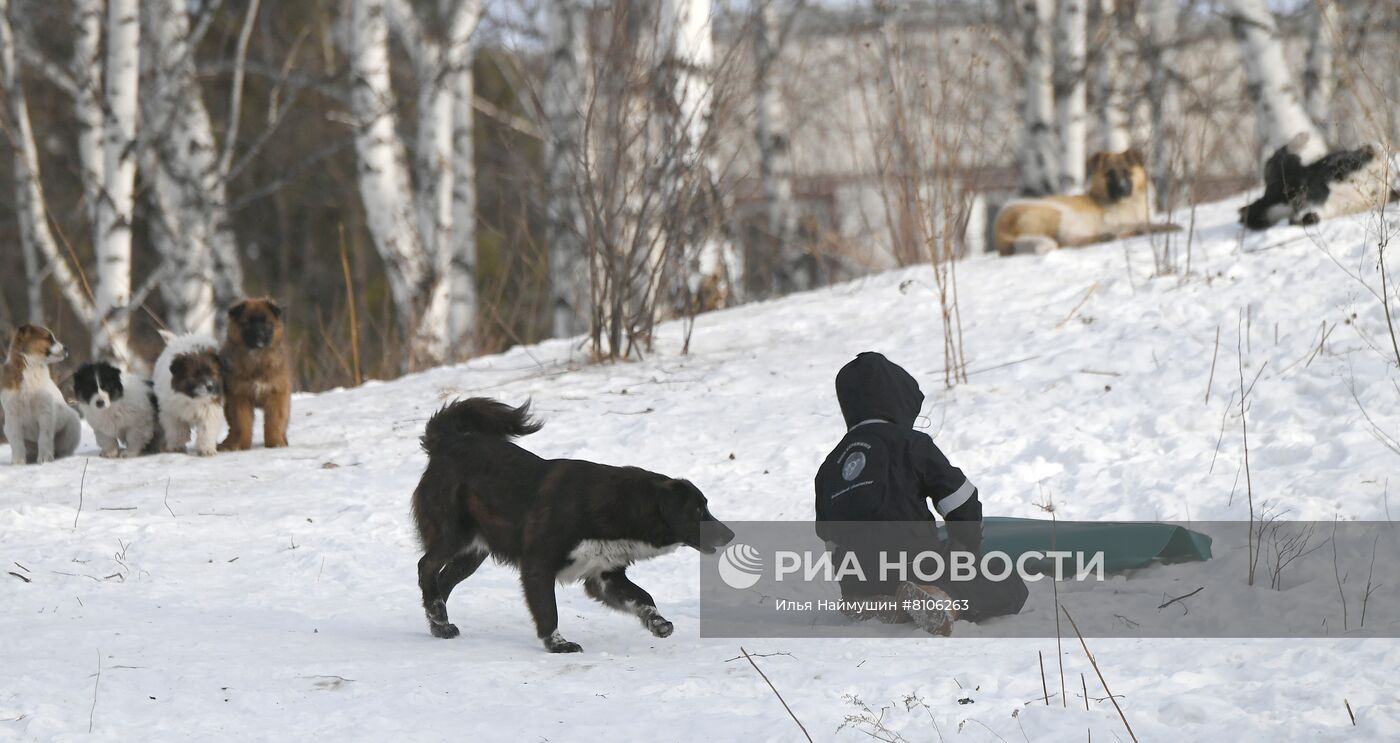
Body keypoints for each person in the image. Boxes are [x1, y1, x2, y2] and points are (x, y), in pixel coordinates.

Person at [814, 352, 1027, 635]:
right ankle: (942, 599)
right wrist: (965, 548)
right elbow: (960, 500)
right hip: (914, 566)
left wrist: (852, 580)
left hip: (857, 577)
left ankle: (872, 601)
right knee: (1003, 578)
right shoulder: (910, 443)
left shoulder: (829, 466)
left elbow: (828, 535)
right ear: (898, 401)